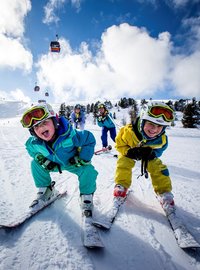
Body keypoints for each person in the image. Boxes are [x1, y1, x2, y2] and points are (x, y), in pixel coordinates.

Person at [20, 103, 98, 217]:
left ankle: (86, 196)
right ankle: (46, 190)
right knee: (35, 164)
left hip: (73, 163)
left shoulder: (70, 135)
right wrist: (40, 158)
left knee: (88, 171)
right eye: (36, 127)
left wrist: (83, 158)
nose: (41, 128)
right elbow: (30, 148)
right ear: (33, 132)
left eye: (44, 122)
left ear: (55, 121)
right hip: (54, 165)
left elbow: (88, 138)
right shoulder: (35, 143)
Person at [113, 101, 176, 216]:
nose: (154, 129)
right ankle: (121, 185)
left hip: (147, 156)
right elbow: (119, 145)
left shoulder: (161, 140)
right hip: (130, 152)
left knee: (159, 168)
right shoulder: (128, 132)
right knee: (123, 163)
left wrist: (152, 153)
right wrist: (128, 151)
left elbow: (160, 151)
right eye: (151, 124)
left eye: (159, 126)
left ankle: (164, 193)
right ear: (142, 121)